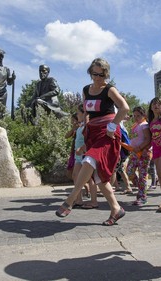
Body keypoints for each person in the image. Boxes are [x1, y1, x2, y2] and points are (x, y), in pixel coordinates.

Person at [55, 58, 129, 226]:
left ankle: (70, 200)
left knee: (90, 160)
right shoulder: (86, 90)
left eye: (101, 74)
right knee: (98, 176)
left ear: (106, 74)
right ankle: (116, 209)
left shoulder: (109, 90)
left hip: (108, 134)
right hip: (92, 133)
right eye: (94, 74)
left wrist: (112, 125)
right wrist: (85, 132)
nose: (97, 77)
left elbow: (124, 108)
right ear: (90, 73)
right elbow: (86, 112)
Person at [125, 106, 152, 206]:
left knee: (142, 175)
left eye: (138, 116)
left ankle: (142, 196)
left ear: (143, 115)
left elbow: (148, 139)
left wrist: (140, 147)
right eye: (135, 116)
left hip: (143, 153)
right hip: (134, 153)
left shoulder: (145, 125)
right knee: (129, 170)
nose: (136, 117)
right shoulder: (135, 125)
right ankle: (141, 190)